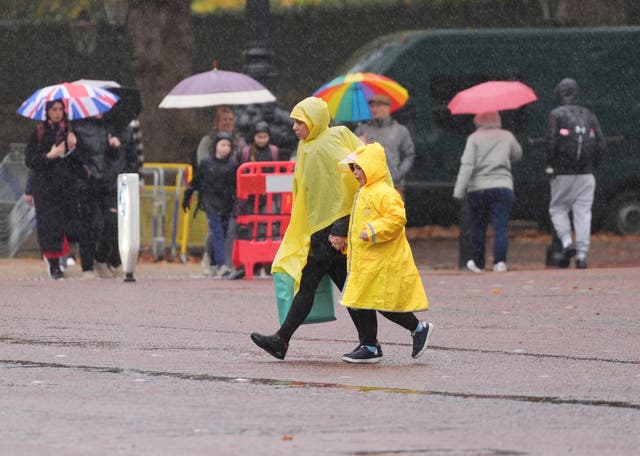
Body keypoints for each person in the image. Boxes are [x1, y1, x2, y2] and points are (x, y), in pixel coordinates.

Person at [249, 96, 363, 360]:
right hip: (321, 228)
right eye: (294, 122)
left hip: (332, 231)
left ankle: (282, 339)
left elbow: (345, 188)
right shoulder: (308, 146)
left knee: (314, 283)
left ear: (313, 121)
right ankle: (379, 339)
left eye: (299, 122)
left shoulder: (328, 143)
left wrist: (340, 227)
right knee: (349, 289)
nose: (294, 127)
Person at [335, 142, 434, 363]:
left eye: (359, 168)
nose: (355, 173)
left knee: (378, 302)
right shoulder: (365, 192)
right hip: (365, 260)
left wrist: (371, 231)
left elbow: (397, 219)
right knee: (361, 301)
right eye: (353, 168)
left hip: (380, 260)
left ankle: (417, 328)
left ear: (373, 167)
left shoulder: (384, 192)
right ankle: (370, 345)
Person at [545, 78, 606, 269]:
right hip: (586, 173)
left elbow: (551, 142)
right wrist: (593, 166)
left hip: (563, 172)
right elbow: (601, 145)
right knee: (583, 212)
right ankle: (582, 255)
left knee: (557, 209)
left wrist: (550, 165)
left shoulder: (556, 115)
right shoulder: (589, 115)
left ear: (559, 94)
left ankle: (566, 242)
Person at [453, 111, 522, 273]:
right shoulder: (507, 136)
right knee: (501, 226)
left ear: (478, 120)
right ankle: (500, 262)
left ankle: (478, 262)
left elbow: (467, 165)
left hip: (477, 188)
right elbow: (518, 155)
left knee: (478, 226)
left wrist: (458, 190)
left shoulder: (473, 138)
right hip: (502, 186)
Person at [24, 99, 82, 280]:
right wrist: (50, 156)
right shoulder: (39, 132)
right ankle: (54, 263)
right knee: (49, 227)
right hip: (45, 188)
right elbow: (31, 161)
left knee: (68, 225)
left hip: (66, 187)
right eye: (54, 109)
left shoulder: (70, 131)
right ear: (47, 112)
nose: (58, 113)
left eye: (60, 109)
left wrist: (74, 146)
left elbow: (77, 162)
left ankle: (64, 256)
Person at [226, 120, 281, 280]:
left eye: (264, 136)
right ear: (254, 137)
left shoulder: (274, 151)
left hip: (269, 196)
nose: (262, 140)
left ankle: (267, 262)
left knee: (269, 227)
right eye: (259, 136)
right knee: (249, 229)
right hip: (249, 198)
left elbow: (278, 172)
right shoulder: (245, 152)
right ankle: (250, 262)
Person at [183, 132, 238, 278]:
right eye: (223, 145)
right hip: (210, 202)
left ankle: (213, 261)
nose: (225, 148)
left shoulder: (233, 164)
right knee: (217, 232)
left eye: (228, 145)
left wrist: (237, 203)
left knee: (223, 232)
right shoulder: (207, 162)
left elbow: (236, 185)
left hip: (227, 202)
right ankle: (222, 265)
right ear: (215, 146)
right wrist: (188, 192)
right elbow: (197, 180)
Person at [354, 93, 415, 192]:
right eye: (372, 106)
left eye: (378, 106)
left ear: (387, 108)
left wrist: (397, 175)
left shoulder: (400, 130)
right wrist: (359, 146)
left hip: (394, 187)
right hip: (368, 187)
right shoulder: (362, 130)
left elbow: (409, 155)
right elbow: (352, 157)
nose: (374, 109)